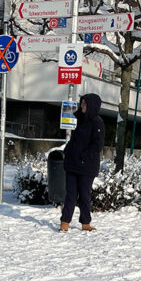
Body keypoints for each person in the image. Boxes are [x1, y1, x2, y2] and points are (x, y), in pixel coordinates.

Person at [60, 93, 105, 232]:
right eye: (82, 103)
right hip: (72, 164)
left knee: (84, 196)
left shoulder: (97, 122)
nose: (83, 106)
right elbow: (74, 140)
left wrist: (84, 156)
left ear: (92, 106)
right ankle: (64, 223)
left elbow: (97, 145)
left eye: (85, 104)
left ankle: (86, 223)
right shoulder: (79, 119)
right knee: (70, 195)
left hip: (87, 166)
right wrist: (67, 151)